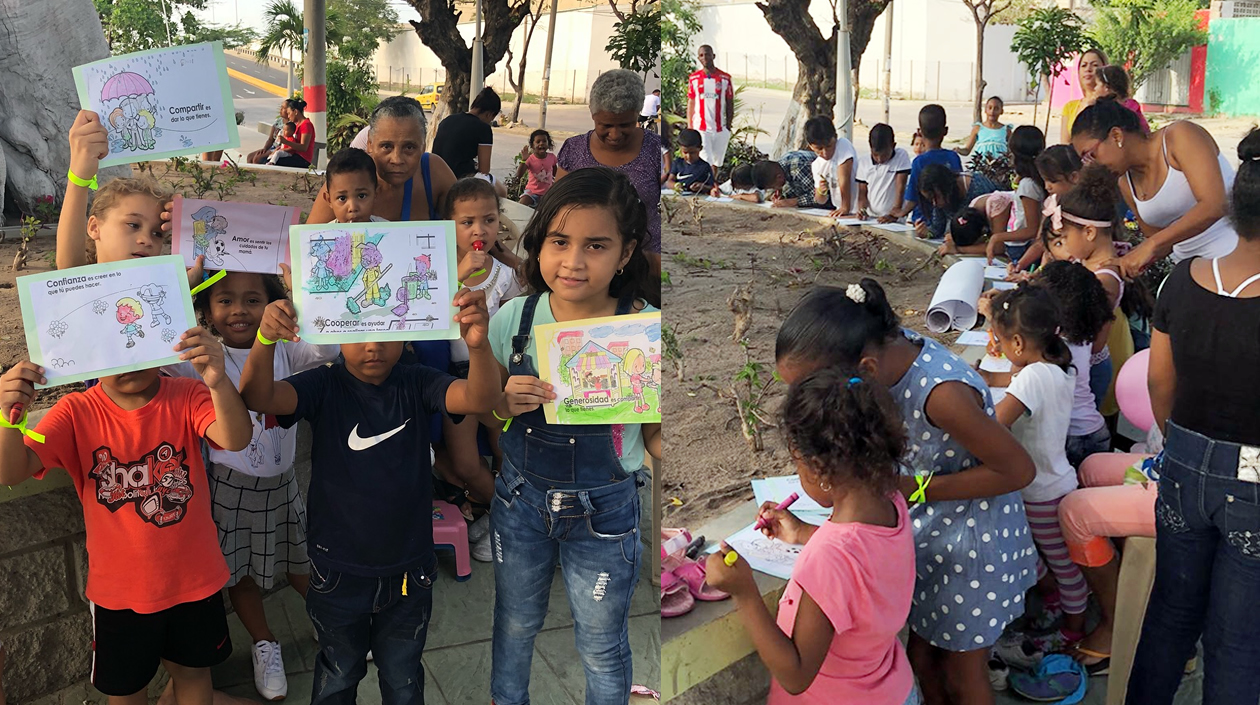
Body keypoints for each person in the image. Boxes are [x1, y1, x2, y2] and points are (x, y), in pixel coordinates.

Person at [5, 129, 254, 698]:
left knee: (192, 669)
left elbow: (218, 255)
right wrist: (79, 171)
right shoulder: (82, 317)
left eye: (153, 229)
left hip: (182, 433)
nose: (143, 240)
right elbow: (68, 262)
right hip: (113, 458)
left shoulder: (170, 284)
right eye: (130, 226)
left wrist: (186, 237)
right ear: (97, 229)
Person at [774, 281, 1037, 705]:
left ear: (867, 369)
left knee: (963, 671)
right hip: (934, 534)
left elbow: (1018, 469)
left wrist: (913, 488)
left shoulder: (941, 395)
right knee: (924, 655)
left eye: (811, 388)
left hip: (972, 549)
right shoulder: (887, 355)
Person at [238, 275, 498, 699]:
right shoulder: (323, 383)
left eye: (385, 332)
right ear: (335, 331)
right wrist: (265, 339)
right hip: (335, 567)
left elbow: (478, 399)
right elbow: (258, 398)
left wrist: (478, 345)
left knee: (403, 677)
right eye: (357, 332)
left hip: (409, 568)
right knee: (339, 674)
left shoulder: (417, 381)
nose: (372, 346)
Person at [486, 168, 660, 704]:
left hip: (607, 516)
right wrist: (502, 402)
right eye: (560, 241)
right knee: (514, 623)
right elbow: (490, 412)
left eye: (597, 245)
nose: (574, 261)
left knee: (603, 642)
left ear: (626, 252)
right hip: (520, 505)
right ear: (540, 242)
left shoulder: (646, 331)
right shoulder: (514, 321)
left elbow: (653, 436)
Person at [1123, 127, 1260, 704]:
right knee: (1236, 638)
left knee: (1171, 614)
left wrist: (1181, 443)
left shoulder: (1184, 280)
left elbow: (1159, 381)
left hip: (1182, 463)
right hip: (1252, 475)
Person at [166, 267, 338, 700]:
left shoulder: (287, 352)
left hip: (283, 485)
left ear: (272, 304)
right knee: (239, 573)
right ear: (205, 310)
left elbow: (329, 346)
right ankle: (264, 643)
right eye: (224, 300)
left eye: (252, 299)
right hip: (229, 488)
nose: (239, 310)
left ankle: (332, 625)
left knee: (301, 561)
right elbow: (159, 355)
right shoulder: (199, 362)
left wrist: (305, 291)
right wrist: (178, 290)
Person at [705, 369, 920, 705]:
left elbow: (796, 675)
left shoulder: (829, 556)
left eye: (797, 464)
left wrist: (744, 591)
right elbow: (862, 559)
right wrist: (802, 531)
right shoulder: (892, 502)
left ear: (818, 468)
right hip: (893, 689)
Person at [978, 286, 1089, 650]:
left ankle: (1072, 628)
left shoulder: (1032, 377)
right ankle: (1056, 604)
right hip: (1054, 482)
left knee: (1059, 564)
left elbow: (995, 427)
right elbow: (1014, 383)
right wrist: (987, 377)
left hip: (1040, 493)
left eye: (1003, 340)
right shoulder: (1056, 368)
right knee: (1033, 551)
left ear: (1019, 343)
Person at [435, 177, 523, 562]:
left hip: (497, 374)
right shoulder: (435, 271)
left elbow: (520, 322)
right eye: (467, 221)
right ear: (448, 225)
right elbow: (428, 315)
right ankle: (510, 517)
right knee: (465, 462)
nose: (478, 230)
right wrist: (458, 274)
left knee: (506, 449)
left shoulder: (503, 276)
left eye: (488, 220)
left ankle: (510, 520)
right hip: (456, 376)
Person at [1071, 97, 1238, 277]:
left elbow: (1215, 204)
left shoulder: (1180, 136)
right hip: (1190, 270)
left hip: (1236, 255)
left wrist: (1150, 245)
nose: (1091, 165)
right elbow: (1161, 242)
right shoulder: (1125, 182)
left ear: (1116, 136)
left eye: (1091, 155)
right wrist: (1120, 262)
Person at [1041, 165, 1137, 415]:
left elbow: (1090, 340)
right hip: (1080, 361)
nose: (1065, 246)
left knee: (1087, 418)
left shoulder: (1105, 279)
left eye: (1065, 237)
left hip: (1089, 367)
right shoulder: (1087, 262)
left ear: (1090, 232)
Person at [556, 69, 663, 286]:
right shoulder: (574, 150)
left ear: (637, 115)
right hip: (587, 269)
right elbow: (558, 210)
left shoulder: (655, 150)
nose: (615, 135)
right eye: (605, 125)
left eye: (625, 125)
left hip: (648, 265)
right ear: (592, 114)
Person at [308, 96, 457, 226]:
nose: (397, 159)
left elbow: (468, 229)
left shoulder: (433, 173)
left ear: (423, 147)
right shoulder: (348, 179)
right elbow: (305, 244)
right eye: (386, 146)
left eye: (409, 147)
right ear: (370, 145)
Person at [1030, 261, 1114, 467]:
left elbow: (1027, 374)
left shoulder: (1055, 347)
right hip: (1095, 431)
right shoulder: (1082, 336)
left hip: (1074, 439)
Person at [883, 105, 962, 229]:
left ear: (920, 132)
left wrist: (901, 212)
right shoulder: (953, 157)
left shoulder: (919, 162)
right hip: (950, 222)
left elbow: (913, 196)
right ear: (945, 131)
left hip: (924, 222)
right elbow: (959, 191)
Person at [432, 87, 508, 197]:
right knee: (502, 191)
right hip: (460, 178)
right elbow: (484, 170)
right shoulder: (484, 129)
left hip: (437, 175)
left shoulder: (448, 120)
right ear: (489, 114)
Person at [988, 125, 1046, 267]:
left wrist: (997, 237)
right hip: (1018, 245)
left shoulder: (1028, 185)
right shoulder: (1030, 180)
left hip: (1020, 246)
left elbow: (1032, 230)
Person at [915, 163, 999, 240]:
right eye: (930, 200)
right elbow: (937, 228)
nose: (935, 203)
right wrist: (927, 232)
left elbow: (993, 235)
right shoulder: (942, 197)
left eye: (936, 197)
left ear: (946, 187)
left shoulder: (979, 189)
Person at [688, 44, 735, 184]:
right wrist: (690, 125)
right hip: (701, 127)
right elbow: (691, 102)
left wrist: (729, 126)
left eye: (707, 54)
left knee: (717, 161)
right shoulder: (694, 78)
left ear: (713, 56)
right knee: (705, 159)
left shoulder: (725, 78)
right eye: (701, 55)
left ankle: (712, 184)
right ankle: (708, 186)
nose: (705, 58)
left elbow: (729, 102)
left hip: (720, 128)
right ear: (698, 58)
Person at [856, 123, 912, 221]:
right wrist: (862, 210)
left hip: (893, 218)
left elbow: (900, 187)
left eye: (884, 155)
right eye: (875, 155)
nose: (880, 159)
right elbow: (862, 193)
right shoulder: (864, 162)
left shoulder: (901, 156)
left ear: (893, 146)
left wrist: (894, 214)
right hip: (871, 217)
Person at [804, 115, 856, 217]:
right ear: (810, 146)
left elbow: (844, 177)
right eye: (819, 149)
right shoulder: (817, 165)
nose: (825, 153)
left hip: (854, 208)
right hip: (840, 211)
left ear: (835, 137)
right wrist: (821, 191)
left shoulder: (843, 145)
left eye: (829, 146)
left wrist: (845, 207)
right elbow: (820, 200)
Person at [1059, 48, 1109, 145]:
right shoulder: (1070, 107)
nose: (1088, 69)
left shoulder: (1112, 105)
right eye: (1084, 65)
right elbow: (1064, 144)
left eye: (1094, 65)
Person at [753, 151, 827, 209]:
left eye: (774, 186)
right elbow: (798, 187)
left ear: (779, 177)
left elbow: (818, 196)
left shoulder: (798, 168)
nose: (775, 189)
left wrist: (793, 202)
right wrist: (784, 196)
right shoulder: (783, 165)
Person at [1094, 65, 1149, 134]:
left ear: (1106, 87)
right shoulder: (1133, 105)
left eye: (1096, 84)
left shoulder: (1103, 109)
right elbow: (1145, 131)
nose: (1095, 88)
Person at [956, 96, 1012, 160]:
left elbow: (1011, 151)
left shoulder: (1006, 130)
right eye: (990, 108)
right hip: (981, 165)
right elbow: (967, 150)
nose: (992, 111)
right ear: (985, 110)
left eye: (996, 108)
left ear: (1001, 111)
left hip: (999, 166)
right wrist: (959, 150)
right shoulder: (978, 128)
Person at [513, 129, 557, 206]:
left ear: (548, 143)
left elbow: (556, 174)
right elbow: (519, 175)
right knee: (522, 204)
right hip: (532, 192)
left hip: (547, 194)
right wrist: (523, 160)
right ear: (532, 145)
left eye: (544, 141)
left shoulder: (552, 157)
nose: (541, 143)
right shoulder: (530, 159)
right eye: (538, 142)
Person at [666, 128, 714, 193]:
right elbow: (669, 182)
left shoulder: (704, 166)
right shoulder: (678, 163)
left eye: (692, 153)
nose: (689, 156)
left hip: (697, 199)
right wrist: (676, 185)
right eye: (685, 153)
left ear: (700, 148)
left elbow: (712, 186)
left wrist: (702, 187)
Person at [272, 98, 315, 169]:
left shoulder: (306, 125)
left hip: (303, 159)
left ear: (295, 111)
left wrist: (286, 142)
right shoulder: (297, 125)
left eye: (289, 113)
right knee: (271, 158)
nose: (288, 116)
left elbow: (304, 147)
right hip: (294, 155)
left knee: (275, 162)